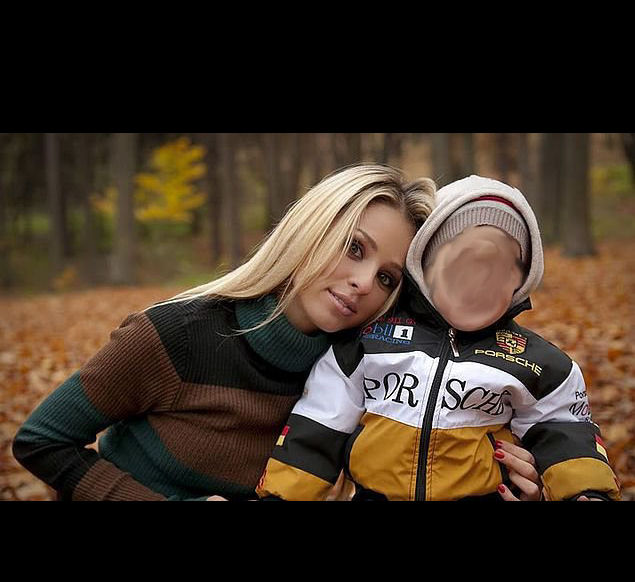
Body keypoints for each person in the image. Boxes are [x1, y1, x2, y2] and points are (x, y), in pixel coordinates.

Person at [12, 164, 540, 501]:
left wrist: (510, 479)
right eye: (353, 247)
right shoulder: (177, 335)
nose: (363, 282)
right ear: (310, 229)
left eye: (387, 278)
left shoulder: (365, 377)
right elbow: (42, 440)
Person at [256, 174, 621, 502]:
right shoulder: (370, 340)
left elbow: (565, 430)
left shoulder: (534, 362)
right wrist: (284, 494)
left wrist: (585, 491)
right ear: (424, 263)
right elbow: (318, 426)